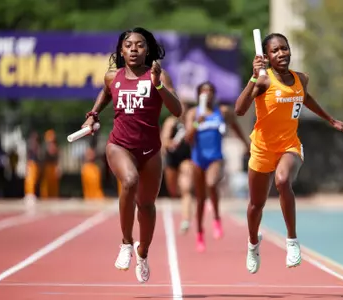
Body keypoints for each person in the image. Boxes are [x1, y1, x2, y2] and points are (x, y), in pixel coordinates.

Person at [234, 33, 343, 273]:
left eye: (284, 49)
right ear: (266, 56)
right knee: (256, 205)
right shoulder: (263, 81)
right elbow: (239, 109)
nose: (281, 54)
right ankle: (253, 243)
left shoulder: (301, 78)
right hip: (261, 149)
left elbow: (304, 98)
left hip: (290, 145)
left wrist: (331, 120)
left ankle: (292, 241)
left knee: (283, 180)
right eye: (275, 51)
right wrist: (253, 78)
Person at [81, 27, 182, 283]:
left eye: (139, 45)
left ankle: (143, 252)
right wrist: (92, 115)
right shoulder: (112, 76)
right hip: (120, 145)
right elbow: (106, 92)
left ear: (147, 49)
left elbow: (178, 110)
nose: (134, 49)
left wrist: (158, 84)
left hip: (150, 151)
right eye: (128, 45)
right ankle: (126, 243)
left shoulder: (156, 75)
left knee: (146, 206)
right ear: (121, 50)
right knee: (129, 181)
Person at [185, 81, 249, 252]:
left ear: (214, 94)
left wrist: (246, 144)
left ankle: (216, 218)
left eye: (211, 91)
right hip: (198, 159)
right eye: (204, 91)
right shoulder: (193, 113)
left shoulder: (222, 112)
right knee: (199, 199)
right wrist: (197, 123)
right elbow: (188, 139)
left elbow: (235, 126)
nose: (208, 94)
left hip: (215, 158)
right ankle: (199, 232)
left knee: (211, 184)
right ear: (198, 95)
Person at [161, 102, 194, 234]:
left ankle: (186, 220)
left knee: (186, 188)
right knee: (173, 190)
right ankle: (180, 195)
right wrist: (170, 143)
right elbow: (164, 141)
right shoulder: (171, 122)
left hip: (186, 158)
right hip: (171, 159)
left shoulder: (191, 122)